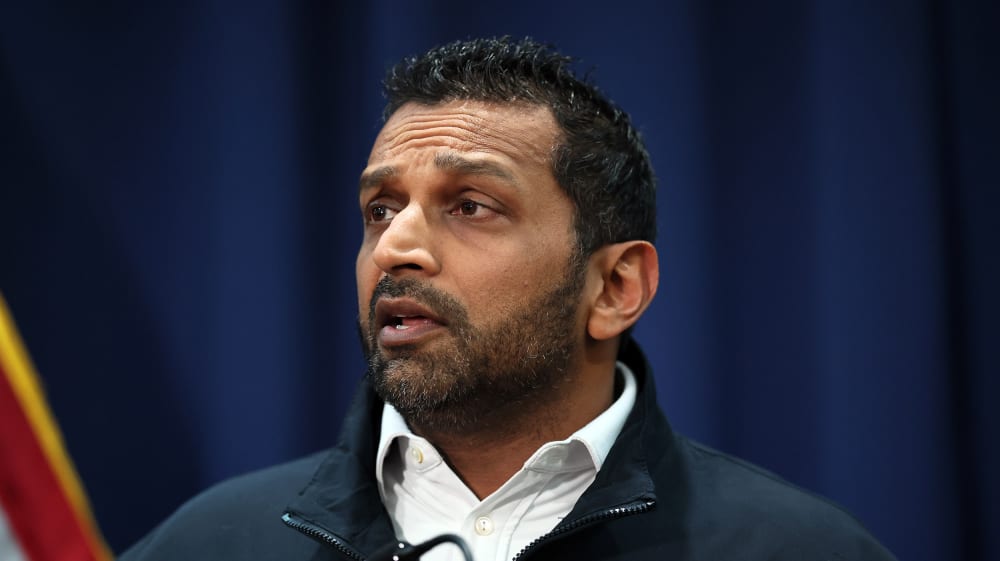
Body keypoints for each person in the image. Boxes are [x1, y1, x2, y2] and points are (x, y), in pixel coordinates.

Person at [120, 37, 896, 561]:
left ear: (615, 286)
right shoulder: (207, 544)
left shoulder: (799, 548)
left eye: (471, 205)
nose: (394, 248)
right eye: (381, 209)